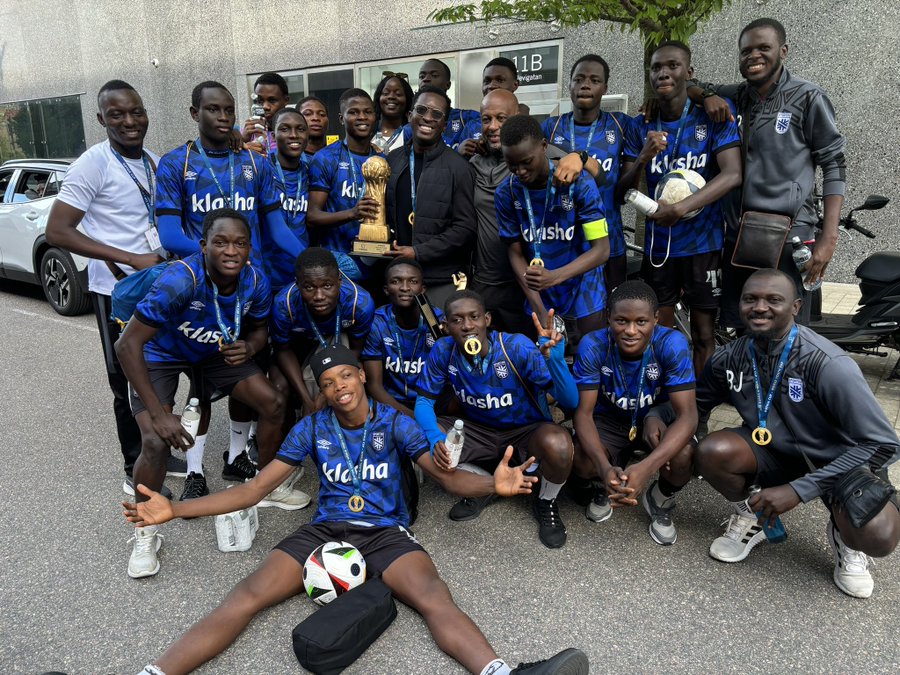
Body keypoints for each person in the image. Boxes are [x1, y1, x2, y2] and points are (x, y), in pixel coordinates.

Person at [125, 345, 590, 675]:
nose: (338, 386)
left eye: (345, 375)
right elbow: (253, 490)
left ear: (361, 376)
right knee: (246, 596)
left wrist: (492, 483)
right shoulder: (310, 429)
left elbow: (447, 477)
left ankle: (501, 673)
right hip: (325, 530)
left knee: (433, 597)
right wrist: (177, 510)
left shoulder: (397, 423)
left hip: (386, 532)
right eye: (327, 382)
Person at [693, 269, 899, 598]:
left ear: (795, 307)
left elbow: (884, 444)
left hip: (839, 463)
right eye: (751, 299)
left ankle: (847, 541)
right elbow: (696, 404)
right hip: (775, 453)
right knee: (712, 451)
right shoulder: (730, 356)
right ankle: (754, 513)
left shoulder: (828, 363)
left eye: (773, 300)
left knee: (878, 535)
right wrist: (658, 418)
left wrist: (799, 490)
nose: (760, 307)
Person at [115, 209, 297, 578]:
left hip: (213, 350)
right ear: (203, 246)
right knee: (154, 440)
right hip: (159, 354)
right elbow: (126, 345)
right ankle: (145, 532)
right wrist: (160, 413)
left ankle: (264, 485)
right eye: (221, 242)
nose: (231, 251)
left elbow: (261, 329)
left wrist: (249, 347)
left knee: (274, 402)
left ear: (249, 248)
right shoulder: (181, 279)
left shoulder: (255, 280)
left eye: (240, 243)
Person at [154, 80, 304, 498]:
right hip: (198, 293)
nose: (223, 118)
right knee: (199, 386)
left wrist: (312, 262)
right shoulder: (174, 164)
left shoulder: (255, 164)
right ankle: (194, 471)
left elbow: (276, 228)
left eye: (229, 111)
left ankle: (237, 455)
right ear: (193, 113)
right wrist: (222, 260)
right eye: (213, 110)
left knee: (245, 374)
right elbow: (169, 232)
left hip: (248, 294)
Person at [45, 80, 185, 498]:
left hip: (158, 286)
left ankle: (160, 446)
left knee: (159, 368)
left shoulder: (155, 162)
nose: (129, 121)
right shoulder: (93, 164)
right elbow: (57, 230)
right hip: (117, 291)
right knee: (124, 376)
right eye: (118, 114)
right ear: (101, 118)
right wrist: (130, 256)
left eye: (136, 112)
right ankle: (133, 462)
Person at [687, 18, 846, 327]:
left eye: (764, 48)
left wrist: (829, 237)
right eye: (746, 51)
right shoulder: (740, 95)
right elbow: (691, 87)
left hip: (789, 238)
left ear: (783, 51)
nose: (754, 56)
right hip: (739, 238)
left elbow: (834, 164)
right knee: (745, 327)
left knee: (789, 333)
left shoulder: (808, 97)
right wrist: (707, 97)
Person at [415, 290, 580, 549]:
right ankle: (483, 486)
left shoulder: (516, 347)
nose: (467, 325)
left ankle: (546, 500)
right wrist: (436, 439)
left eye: (474, 317)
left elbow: (570, 402)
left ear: (487, 319)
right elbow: (424, 402)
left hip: (526, 431)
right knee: (423, 434)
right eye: (457, 320)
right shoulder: (443, 350)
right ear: (446, 327)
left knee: (559, 444)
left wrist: (556, 361)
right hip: (479, 431)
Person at [619, 41, 742, 378]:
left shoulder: (714, 114)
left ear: (688, 73)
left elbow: (733, 173)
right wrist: (644, 156)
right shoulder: (640, 124)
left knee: (703, 334)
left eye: (672, 66)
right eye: (656, 67)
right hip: (660, 247)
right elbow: (624, 188)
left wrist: (682, 207)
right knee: (662, 334)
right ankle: (667, 400)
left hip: (704, 245)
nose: (663, 73)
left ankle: (699, 409)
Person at [572, 281, 697, 545]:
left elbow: (688, 416)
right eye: (621, 320)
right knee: (582, 458)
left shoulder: (672, 343)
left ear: (656, 319)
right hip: (609, 420)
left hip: (654, 420)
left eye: (641, 321)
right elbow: (583, 414)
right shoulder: (592, 345)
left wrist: (646, 468)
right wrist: (604, 468)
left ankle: (660, 498)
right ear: (608, 318)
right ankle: (603, 486)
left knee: (684, 455)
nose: (630, 330)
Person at [497, 114, 610, 341]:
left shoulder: (580, 184)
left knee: (588, 368)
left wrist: (554, 277)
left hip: (585, 298)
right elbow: (515, 253)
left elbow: (601, 250)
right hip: (538, 299)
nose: (520, 171)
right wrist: (538, 308)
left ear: (544, 146)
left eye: (526, 162)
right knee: (545, 369)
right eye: (512, 165)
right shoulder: (506, 192)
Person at [470, 89, 564, 338]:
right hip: (485, 282)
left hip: (524, 284)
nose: (493, 126)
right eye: (486, 119)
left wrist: (579, 156)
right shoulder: (474, 163)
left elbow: (598, 174)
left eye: (502, 118)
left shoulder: (535, 154)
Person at [542, 54, 633, 292]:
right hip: (564, 239)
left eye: (594, 80)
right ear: (569, 85)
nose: (585, 85)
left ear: (605, 87)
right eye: (579, 79)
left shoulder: (621, 124)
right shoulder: (550, 127)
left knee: (613, 314)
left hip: (608, 238)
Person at [384, 85, 476, 308]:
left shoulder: (459, 167)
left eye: (436, 114)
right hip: (398, 278)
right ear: (410, 116)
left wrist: (417, 252)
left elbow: (465, 228)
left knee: (438, 340)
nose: (427, 118)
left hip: (440, 279)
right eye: (421, 110)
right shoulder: (392, 160)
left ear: (444, 125)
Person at [270, 247, 375, 417]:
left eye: (327, 285)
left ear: (339, 281)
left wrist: (323, 395)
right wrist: (306, 398)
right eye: (309, 287)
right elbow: (283, 349)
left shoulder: (359, 303)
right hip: (299, 342)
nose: (319, 296)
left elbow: (356, 349)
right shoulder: (284, 305)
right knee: (279, 388)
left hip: (338, 339)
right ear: (297, 285)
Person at [307, 88, 382, 281]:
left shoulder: (382, 159)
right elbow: (312, 216)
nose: (362, 117)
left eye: (368, 112)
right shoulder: (325, 158)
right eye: (353, 112)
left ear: (375, 116)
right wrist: (352, 214)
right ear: (341, 119)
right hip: (339, 265)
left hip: (379, 261)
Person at [362, 258, 441, 417]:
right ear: (386, 289)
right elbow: (374, 386)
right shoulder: (377, 323)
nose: (405, 288)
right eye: (396, 281)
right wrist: (412, 417)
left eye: (412, 281)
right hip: (390, 403)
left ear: (422, 289)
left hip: (431, 404)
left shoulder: (438, 320)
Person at [264, 107, 310, 293]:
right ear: (273, 135)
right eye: (284, 129)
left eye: (300, 129)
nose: (293, 135)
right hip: (268, 271)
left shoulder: (310, 170)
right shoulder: (261, 167)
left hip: (300, 273)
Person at [457, 57, 520, 159]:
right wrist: (460, 152)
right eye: (487, 81)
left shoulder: (527, 124)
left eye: (500, 80)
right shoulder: (471, 126)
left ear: (515, 85)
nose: (492, 85)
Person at [414, 58, 480, 150]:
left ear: (448, 85)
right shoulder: (413, 123)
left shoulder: (467, 118)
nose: (426, 79)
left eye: (434, 75)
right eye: (422, 76)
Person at [239, 72, 291, 154]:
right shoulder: (246, 132)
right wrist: (242, 142)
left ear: (286, 100)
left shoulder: (295, 132)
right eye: (260, 101)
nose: (265, 106)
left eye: (272, 100)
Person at [371, 73, 414, 154]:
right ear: (378, 98)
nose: (391, 96)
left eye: (398, 94)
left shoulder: (412, 134)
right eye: (386, 93)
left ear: (407, 99)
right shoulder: (369, 132)